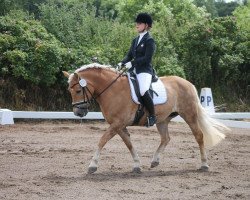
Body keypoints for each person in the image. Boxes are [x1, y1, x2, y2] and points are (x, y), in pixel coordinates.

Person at [118, 13, 157, 126]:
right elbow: (129, 55)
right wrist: (122, 62)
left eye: (139, 23)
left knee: (143, 90)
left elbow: (147, 58)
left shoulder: (149, 40)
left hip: (144, 71)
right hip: (134, 70)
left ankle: (152, 116)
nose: (137, 25)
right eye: (137, 23)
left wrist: (132, 63)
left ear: (146, 25)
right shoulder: (135, 40)